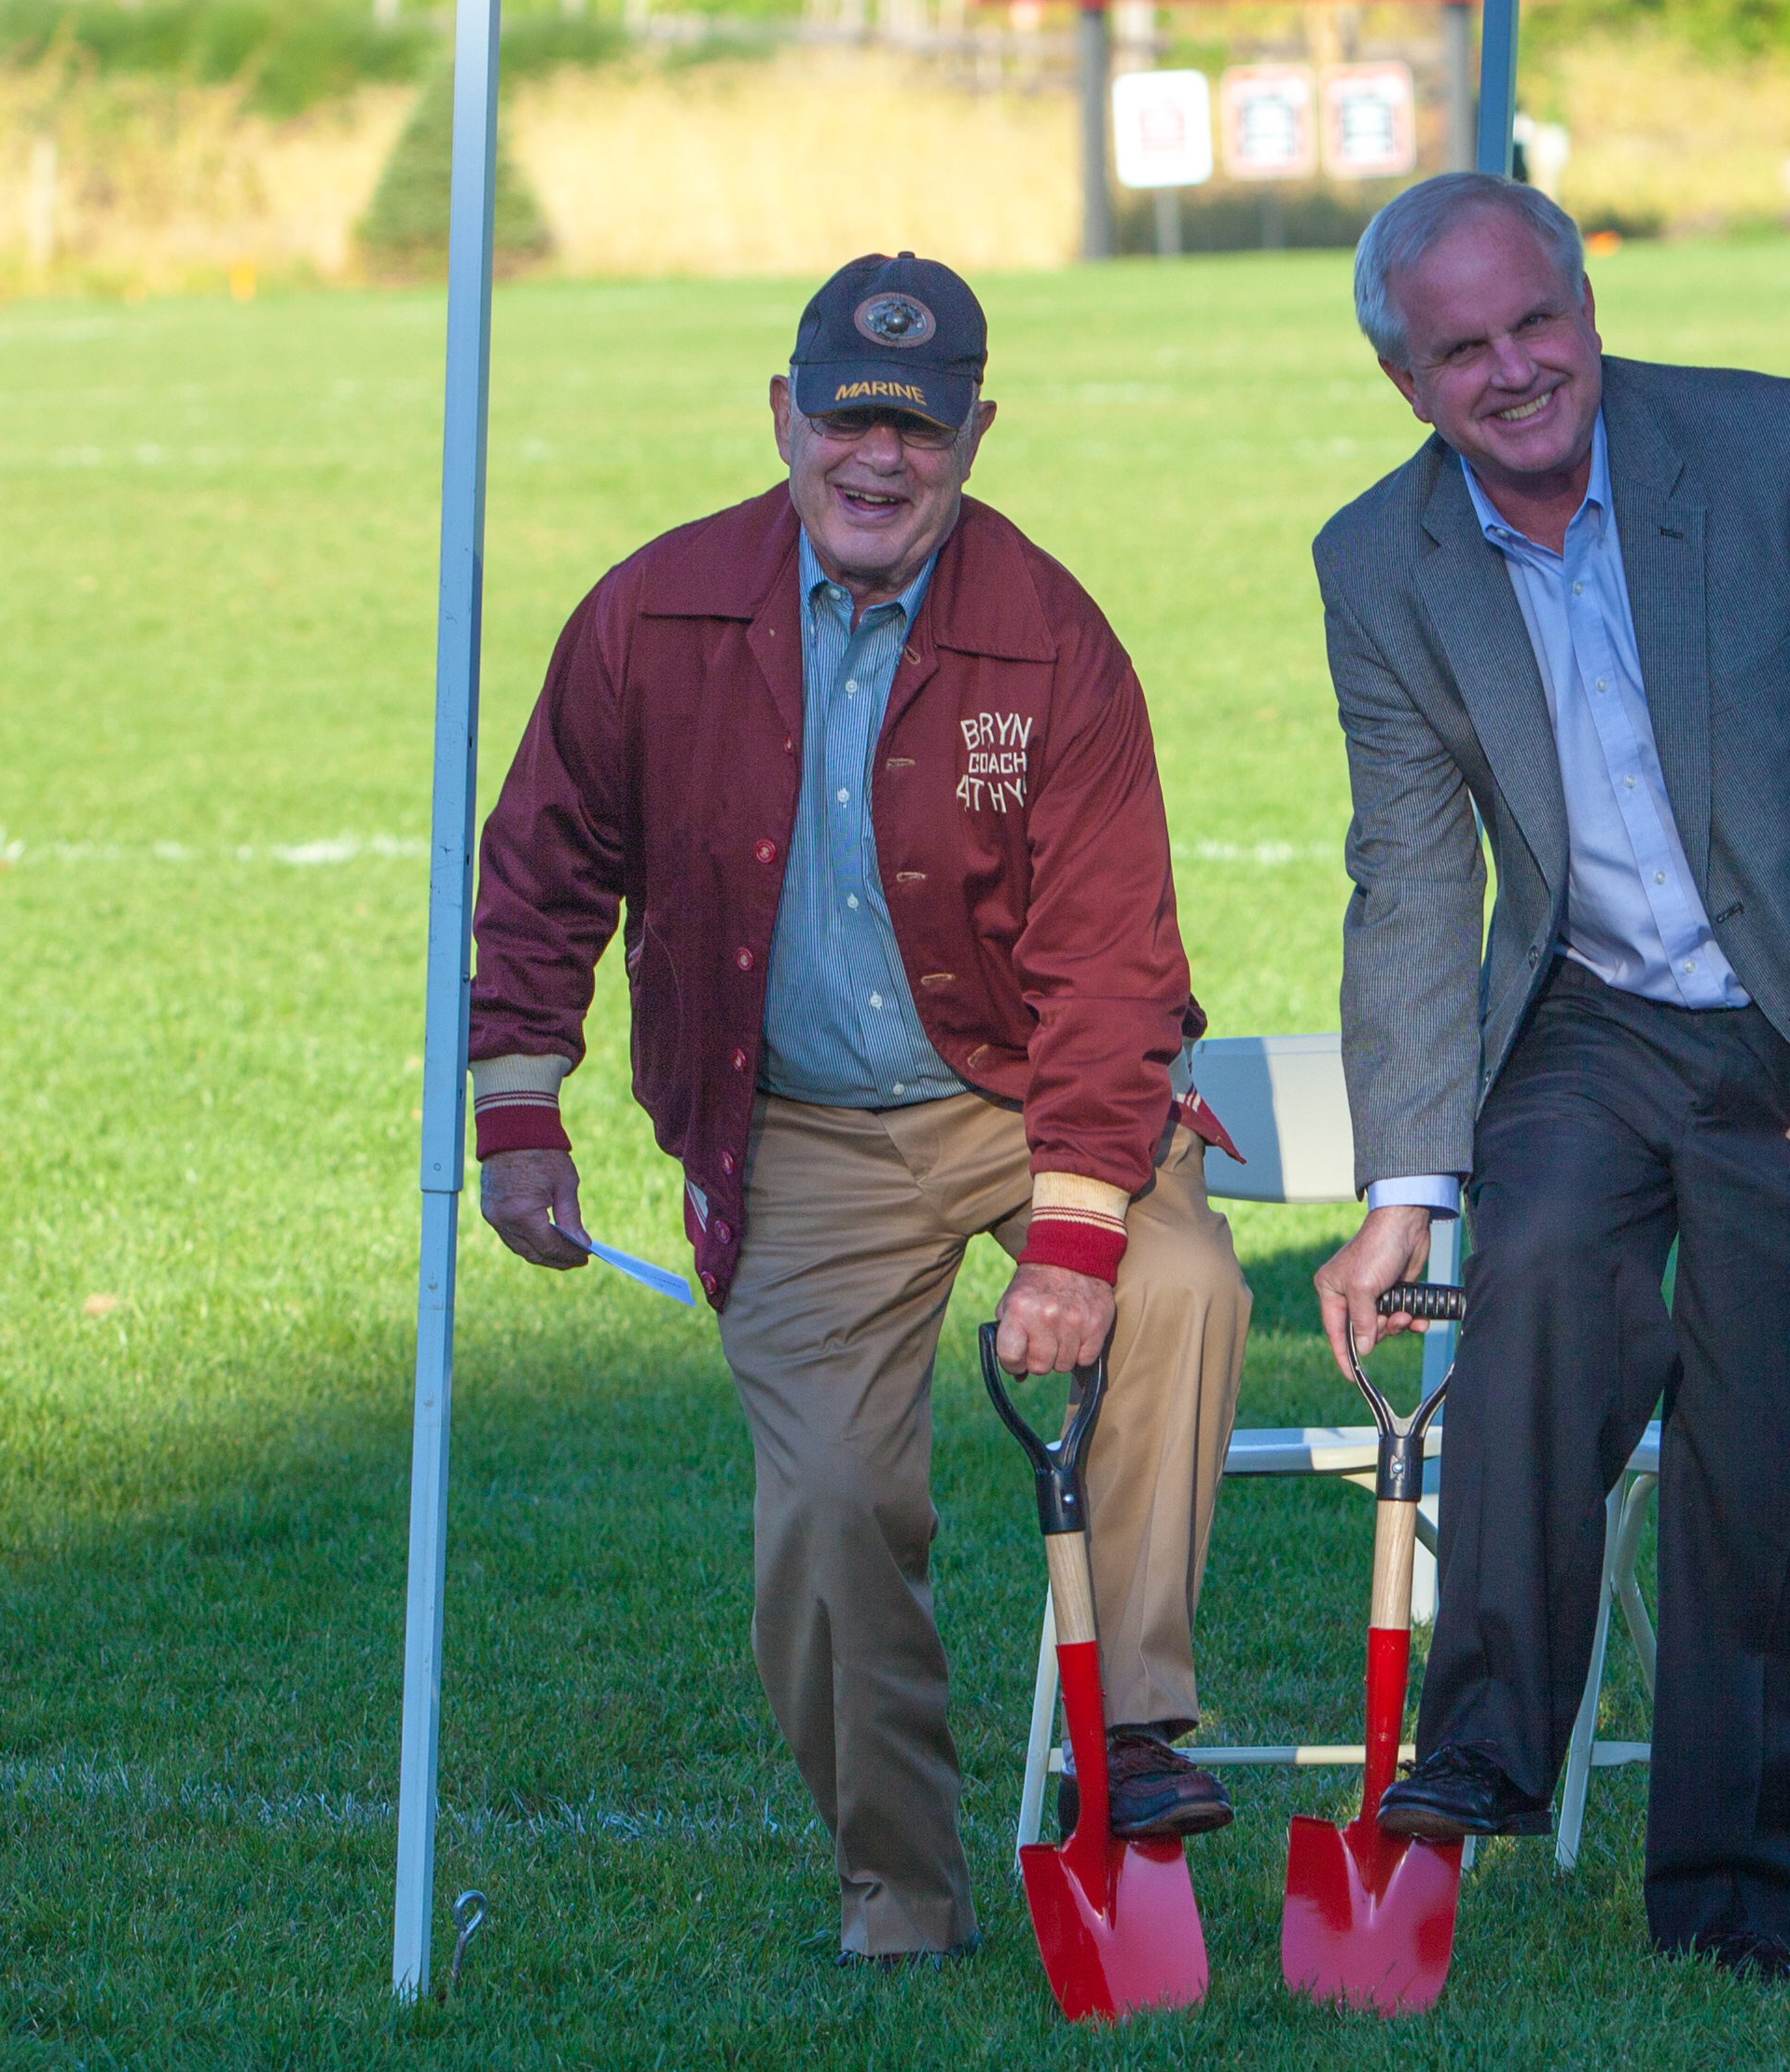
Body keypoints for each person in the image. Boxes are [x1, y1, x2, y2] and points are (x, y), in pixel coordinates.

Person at [462, 254, 1244, 1963]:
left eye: (919, 425)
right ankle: (904, 1888)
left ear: (977, 432)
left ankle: (1140, 1729)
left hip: (1032, 1090)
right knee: (828, 1506)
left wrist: (1074, 1235)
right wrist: (519, 1108)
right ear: (781, 413)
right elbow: (540, 867)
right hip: (794, 1120)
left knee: (1181, 1286)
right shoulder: (651, 613)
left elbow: (1115, 962)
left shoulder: (1052, 636)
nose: (876, 459)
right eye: (844, 418)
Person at [1309, 171, 1790, 1982]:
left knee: (1769, 1453)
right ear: (1408, 381)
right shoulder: (1376, 561)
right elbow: (1411, 874)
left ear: (1587, 305)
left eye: (1533, 323)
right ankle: (1477, 1755)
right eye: (1460, 350)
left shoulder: (1777, 447)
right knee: (1543, 1272)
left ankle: (1726, 1904)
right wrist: (1407, 1186)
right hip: (1596, 1018)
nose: (1512, 370)